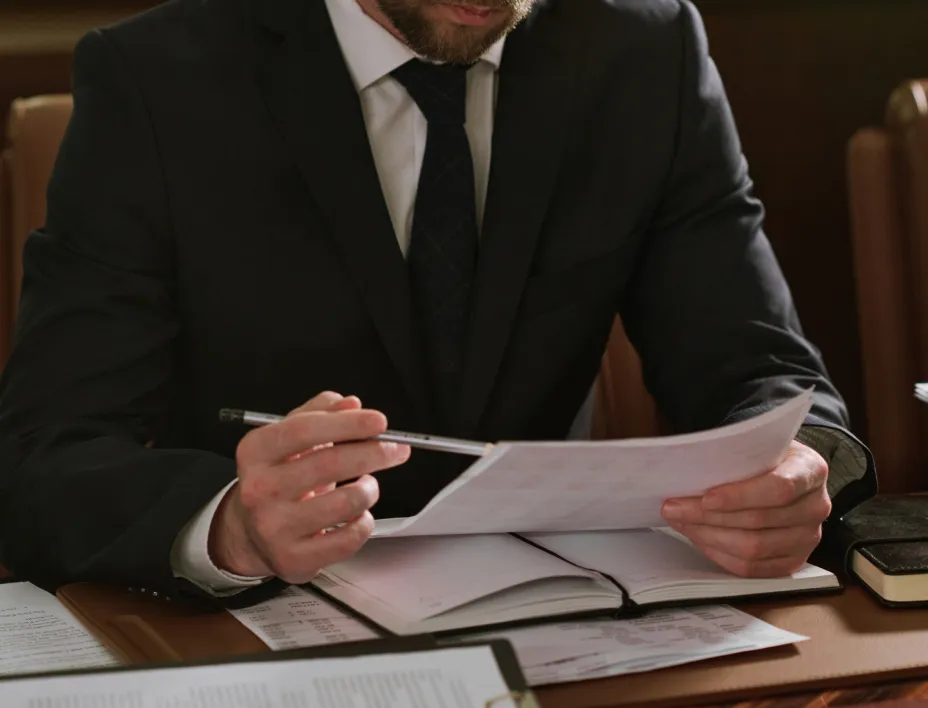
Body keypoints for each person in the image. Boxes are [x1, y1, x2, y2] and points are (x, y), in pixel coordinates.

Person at [0, 0, 874, 604]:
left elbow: (761, 366)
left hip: (572, 629)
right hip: (256, 637)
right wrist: (229, 524)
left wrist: (797, 464)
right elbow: (44, 456)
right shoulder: (156, 77)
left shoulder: (645, 50)